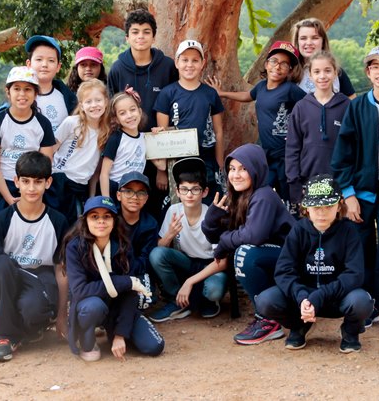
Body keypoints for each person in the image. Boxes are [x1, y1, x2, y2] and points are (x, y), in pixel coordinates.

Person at [331, 45, 379, 336]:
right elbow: (342, 155)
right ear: (368, 72)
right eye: (375, 66)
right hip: (361, 190)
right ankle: (366, 305)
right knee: (361, 250)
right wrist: (348, 194)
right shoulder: (358, 106)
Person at [255, 175, 373, 353]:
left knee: (361, 301)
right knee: (265, 301)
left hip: (336, 297)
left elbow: (354, 274)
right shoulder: (298, 230)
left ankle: (350, 331)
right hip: (304, 298)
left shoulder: (349, 231)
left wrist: (321, 295)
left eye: (328, 206)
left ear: (339, 205)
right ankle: (299, 325)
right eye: (316, 207)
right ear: (306, 207)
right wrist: (301, 296)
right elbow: (284, 270)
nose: (322, 213)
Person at [0, 151, 71, 362]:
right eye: (26, 181)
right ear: (16, 182)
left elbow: (61, 270)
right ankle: (4, 336)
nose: (31, 188)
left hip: (40, 277)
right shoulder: (2, 220)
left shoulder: (57, 221)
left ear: (48, 183)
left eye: (38, 182)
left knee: (32, 309)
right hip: (9, 276)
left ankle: (31, 327)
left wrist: (62, 317)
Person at [202, 144, 295, 345]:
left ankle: (268, 320)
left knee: (244, 253)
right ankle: (269, 313)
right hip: (271, 258)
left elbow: (254, 236)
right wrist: (211, 219)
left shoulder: (264, 195)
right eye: (232, 169)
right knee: (243, 250)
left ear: (256, 169)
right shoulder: (239, 197)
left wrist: (224, 243)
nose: (236, 175)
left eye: (243, 169)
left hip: (293, 261)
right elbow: (217, 238)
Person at [63, 196, 165, 361]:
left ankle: (112, 330)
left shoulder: (123, 245)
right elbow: (80, 290)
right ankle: (87, 339)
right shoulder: (75, 247)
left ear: (114, 221)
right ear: (85, 220)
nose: (101, 221)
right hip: (90, 304)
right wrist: (124, 282)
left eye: (107, 216)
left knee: (155, 346)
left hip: (117, 305)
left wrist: (120, 334)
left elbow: (130, 293)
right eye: (94, 216)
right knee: (94, 306)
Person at [207, 41, 306, 206]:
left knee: (289, 196)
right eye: (274, 61)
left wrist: (301, 134)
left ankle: (293, 220)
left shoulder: (290, 89)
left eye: (284, 64)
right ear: (266, 64)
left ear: (290, 70)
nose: (278, 66)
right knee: (260, 189)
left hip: (286, 154)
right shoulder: (261, 87)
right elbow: (247, 96)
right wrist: (222, 93)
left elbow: (310, 106)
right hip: (267, 153)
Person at [107, 9, 178, 219]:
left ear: (154, 36)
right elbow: (112, 111)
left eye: (146, 32)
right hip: (128, 149)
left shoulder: (167, 66)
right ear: (127, 37)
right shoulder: (117, 69)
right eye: (135, 32)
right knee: (129, 203)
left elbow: (175, 106)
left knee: (158, 205)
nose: (141, 37)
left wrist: (163, 167)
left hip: (160, 147)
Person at [149, 157, 226, 322]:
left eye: (195, 189)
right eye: (184, 189)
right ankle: (177, 300)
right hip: (187, 262)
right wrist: (169, 234)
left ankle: (206, 300)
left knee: (213, 290)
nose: (189, 195)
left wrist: (189, 282)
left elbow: (223, 262)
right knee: (156, 254)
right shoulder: (173, 211)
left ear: (204, 192)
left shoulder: (211, 216)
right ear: (177, 191)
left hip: (210, 265)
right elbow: (159, 248)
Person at [155, 39, 225, 204]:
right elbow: (161, 135)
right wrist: (161, 171)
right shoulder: (167, 93)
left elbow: (219, 131)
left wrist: (220, 164)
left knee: (210, 204)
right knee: (181, 205)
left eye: (195, 60)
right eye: (185, 60)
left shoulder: (210, 94)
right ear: (176, 62)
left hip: (206, 159)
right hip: (177, 161)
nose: (189, 65)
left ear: (202, 64)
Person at [0, 66, 56, 216]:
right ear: (8, 92)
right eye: (16, 89)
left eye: (28, 89)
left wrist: (32, 192)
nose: (22, 94)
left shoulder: (43, 124)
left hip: (33, 187)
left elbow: (46, 163)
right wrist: (9, 198)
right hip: (4, 185)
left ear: (36, 93)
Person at [286, 50, 350, 205]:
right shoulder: (301, 107)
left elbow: (353, 147)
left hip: (339, 182)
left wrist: (349, 187)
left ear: (335, 73)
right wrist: (295, 184)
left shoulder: (347, 106)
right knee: (312, 220)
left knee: (337, 219)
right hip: (307, 182)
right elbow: (292, 148)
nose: (322, 76)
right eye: (317, 71)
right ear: (310, 75)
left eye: (327, 71)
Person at [47, 79, 110, 223]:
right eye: (88, 101)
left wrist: (91, 196)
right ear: (81, 105)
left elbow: (96, 168)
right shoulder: (72, 123)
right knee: (59, 223)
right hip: (60, 180)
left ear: (106, 102)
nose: (94, 105)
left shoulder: (106, 131)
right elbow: (51, 150)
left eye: (98, 100)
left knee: (75, 226)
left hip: (81, 186)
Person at [115, 171, 159, 310]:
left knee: (143, 301)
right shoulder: (110, 219)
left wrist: (129, 273)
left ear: (146, 198)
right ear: (119, 195)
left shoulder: (150, 224)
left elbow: (145, 259)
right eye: (128, 191)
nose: (135, 197)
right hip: (112, 270)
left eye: (141, 193)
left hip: (137, 270)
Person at [24, 35, 78, 134]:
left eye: (51, 60)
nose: (44, 64)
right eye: (39, 59)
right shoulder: (20, 97)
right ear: (29, 64)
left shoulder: (68, 98)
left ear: (58, 67)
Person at [291, 18, 356, 98]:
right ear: (297, 42)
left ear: (323, 41)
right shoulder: (290, 72)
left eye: (315, 38)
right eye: (303, 38)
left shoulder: (337, 72)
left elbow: (352, 102)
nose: (309, 43)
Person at [99, 90, 147, 198]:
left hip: (135, 191)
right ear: (116, 119)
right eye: (122, 113)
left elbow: (161, 165)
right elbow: (104, 174)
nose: (129, 115)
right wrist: (106, 200)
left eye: (132, 110)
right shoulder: (115, 139)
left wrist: (158, 133)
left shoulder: (145, 138)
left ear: (139, 111)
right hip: (115, 189)